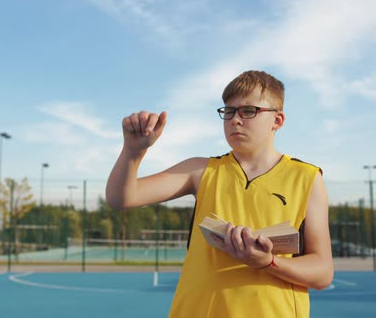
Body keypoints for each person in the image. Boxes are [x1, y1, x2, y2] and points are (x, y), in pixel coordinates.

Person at [106, 70, 333, 317]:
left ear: (277, 121)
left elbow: (322, 272)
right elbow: (122, 198)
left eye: (249, 111)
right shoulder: (199, 170)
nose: (235, 119)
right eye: (229, 111)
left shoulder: (307, 177)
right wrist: (133, 151)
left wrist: (267, 262)